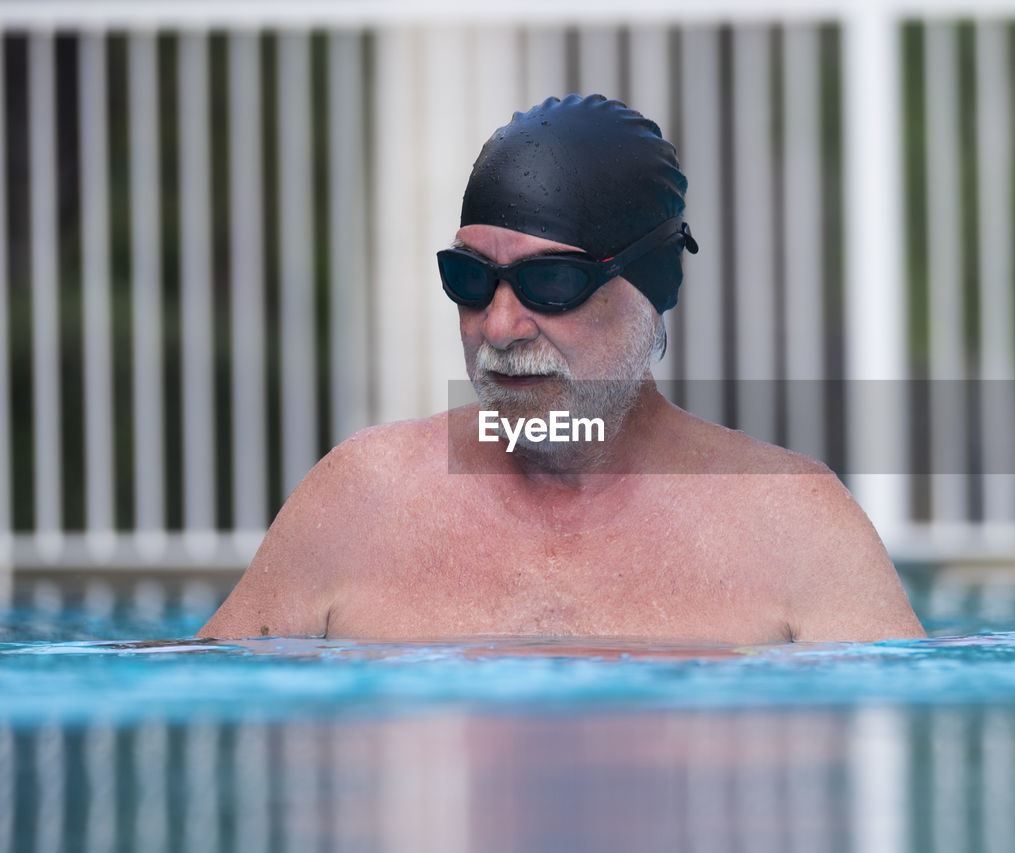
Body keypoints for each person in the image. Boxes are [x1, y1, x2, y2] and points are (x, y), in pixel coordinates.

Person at [201, 94, 923, 644]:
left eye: (550, 283)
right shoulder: (360, 500)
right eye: (470, 278)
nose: (501, 326)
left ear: (652, 288)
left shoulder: (794, 525)